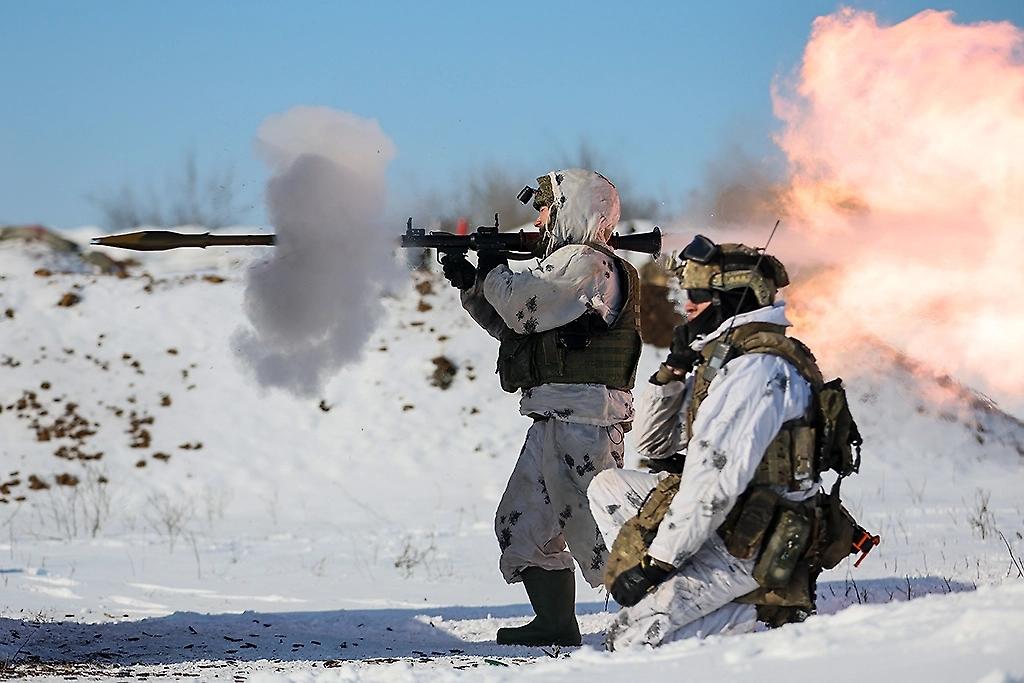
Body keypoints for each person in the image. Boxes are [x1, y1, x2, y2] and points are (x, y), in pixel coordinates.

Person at [588, 234, 828, 650]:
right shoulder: (727, 358)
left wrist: (656, 564)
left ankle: (753, 617)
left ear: (732, 298)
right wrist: (673, 371)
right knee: (607, 487)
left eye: (698, 293)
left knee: (627, 640)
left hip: (748, 541)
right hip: (727, 519)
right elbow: (652, 447)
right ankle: (675, 601)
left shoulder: (756, 370)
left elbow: (713, 485)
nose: (688, 304)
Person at [442, 169, 642, 646]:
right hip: (555, 415)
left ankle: (679, 606)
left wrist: (492, 267)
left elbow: (521, 306)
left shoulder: (588, 263)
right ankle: (555, 623)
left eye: (548, 208)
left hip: (588, 422)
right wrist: (472, 282)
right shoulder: (565, 266)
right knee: (524, 521)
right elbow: (517, 328)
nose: (538, 218)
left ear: (575, 209)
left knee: (603, 532)